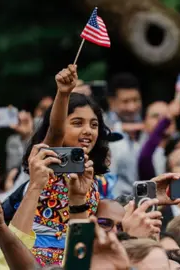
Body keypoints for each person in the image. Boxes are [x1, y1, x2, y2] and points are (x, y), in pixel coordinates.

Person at [19, 65, 110, 266]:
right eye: (77, 123)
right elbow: (56, 131)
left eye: (94, 125)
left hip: (76, 258)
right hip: (34, 259)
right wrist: (63, 93)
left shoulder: (92, 176)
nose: (88, 131)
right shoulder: (47, 162)